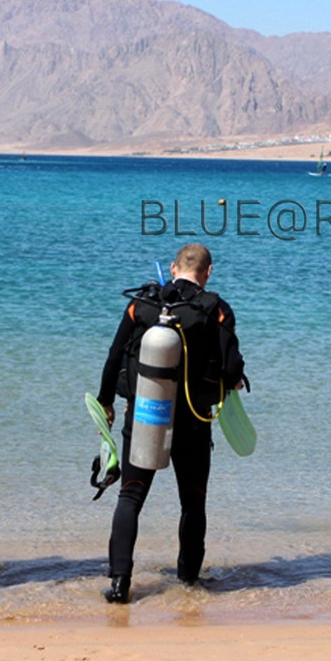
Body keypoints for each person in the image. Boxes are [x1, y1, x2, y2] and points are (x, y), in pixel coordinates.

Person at [95, 243, 245, 603]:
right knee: (193, 501)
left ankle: (119, 584)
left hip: (146, 414)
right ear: (208, 272)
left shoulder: (142, 304)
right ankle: (189, 584)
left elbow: (115, 356)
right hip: (193, 420)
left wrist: (105, 403)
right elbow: (230, 368)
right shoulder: (216, 310)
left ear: (175, 266)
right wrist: (235, 381)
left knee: (130, 496)